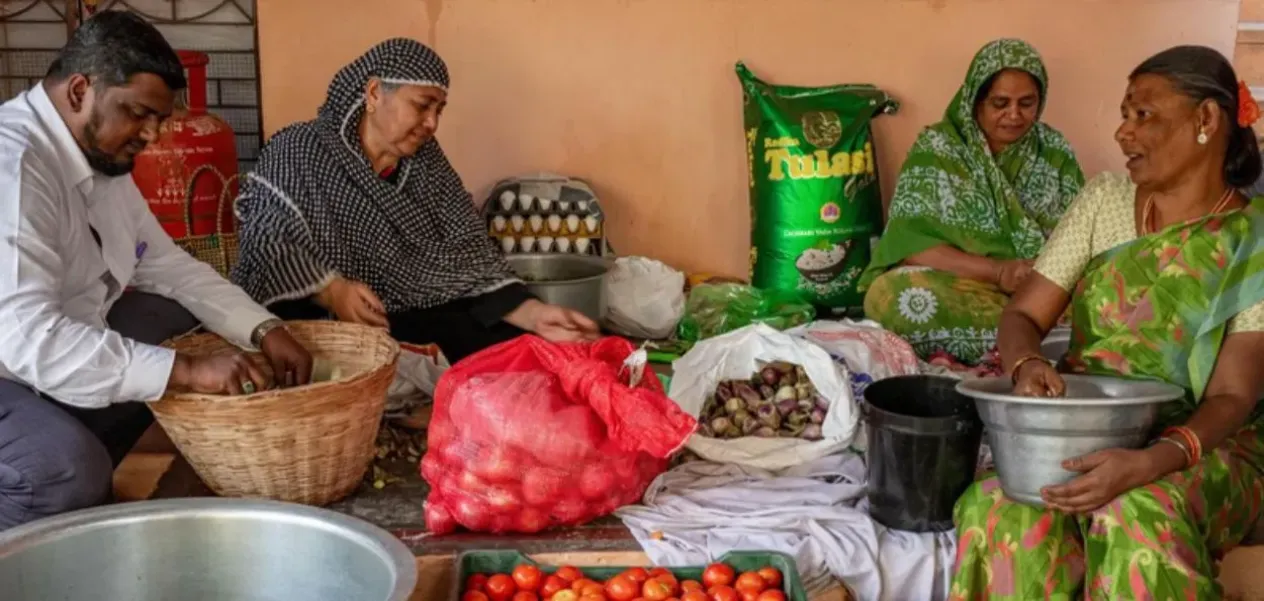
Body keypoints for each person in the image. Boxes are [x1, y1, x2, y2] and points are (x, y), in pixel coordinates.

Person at [951, 46, 1264, 600]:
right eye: (1125, 114)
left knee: (1136, 516)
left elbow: (1233, 397)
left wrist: (1148, 463)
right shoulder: (1105, 202)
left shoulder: (1254, 241)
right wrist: (1026, 364)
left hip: (1206, 443)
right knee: (1000, 508)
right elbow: (1024, 312)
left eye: (1143, 115)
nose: (1123, 132)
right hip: (1090, 430)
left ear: (1206, 120)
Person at [0, 12, 313, 529]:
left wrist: (265, 328)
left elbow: (168, 267)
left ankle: (73, 453)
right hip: (14, 362)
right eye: (138, 113)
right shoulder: (15, 167)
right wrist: (185, 371)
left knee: (169, 315)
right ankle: (40, 495)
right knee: (65, 471)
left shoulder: (100, 156)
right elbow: (31, 340)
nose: (152, 134)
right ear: (80, 90)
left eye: (160, 120)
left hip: (42, 359)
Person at [231, 38, 598, 365]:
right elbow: (266, 236)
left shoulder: (426, 162)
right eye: (422, 106)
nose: (432, 123)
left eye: (439, 109)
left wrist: (532, 312)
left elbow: (467, 246)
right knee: (300, 348)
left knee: (517, 347)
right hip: (318, 319)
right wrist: (331, 291)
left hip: (402, 315)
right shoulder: (300, 148)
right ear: (374, 93)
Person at [860, 39, 1085, 365]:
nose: (1014, 115)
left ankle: (1023, 344)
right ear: (975, 101)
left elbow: (1081, 238)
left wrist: (1038, 278)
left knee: (1103, 304)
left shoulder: (1053, 151)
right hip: (965, 287)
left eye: (1027, 103)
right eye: (1000, 103)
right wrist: (999, 272)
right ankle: (1033, 346)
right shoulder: (939, 147)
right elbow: (910, 244)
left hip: (1040, 294)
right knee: (892, 296)